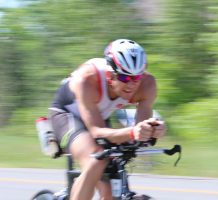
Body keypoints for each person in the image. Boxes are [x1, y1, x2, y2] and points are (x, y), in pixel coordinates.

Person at [48, 39, 166, 200]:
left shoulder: (147, 84)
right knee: (96, 159)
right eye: (124, 78)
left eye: (136, 77)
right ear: (110, 74)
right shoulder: (87, 79)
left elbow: (141, 127)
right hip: (67, 115)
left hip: (98, 115)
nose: (131, 84)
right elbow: (97, 131)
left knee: (110, 186)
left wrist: (153, 130)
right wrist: (133, 132)